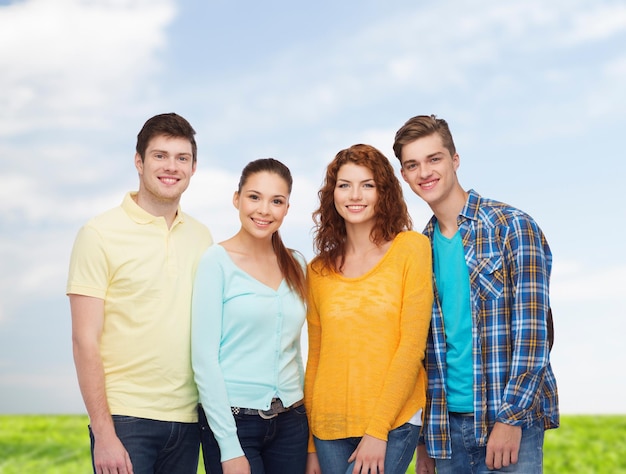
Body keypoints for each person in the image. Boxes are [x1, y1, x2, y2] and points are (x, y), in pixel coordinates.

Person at [393, 114, 559, 474]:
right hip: (444, 432)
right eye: (412, 165)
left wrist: (511, 419)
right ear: (404, 176)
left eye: (433, 159)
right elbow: (420, 349)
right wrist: (424, 440)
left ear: (454, 160)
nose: (424, 172)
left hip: (507, 422)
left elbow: (533, 333)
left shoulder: (512, 226)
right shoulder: (417, 250)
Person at [67, 113, 213, 474]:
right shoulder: (98, 234)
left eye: (182, 158)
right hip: (126, 420)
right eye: (160, 156)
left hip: (188, 418)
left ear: (193, 168)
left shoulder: (202, 237)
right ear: (139, 161)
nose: (171, 167)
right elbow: (84, 339)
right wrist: (103, 433)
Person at [304, 144, 434, 474]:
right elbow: (316, 357)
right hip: (327, 430)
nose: (354, 195)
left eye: (367, 185)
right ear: (332, 193)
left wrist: (378, 430)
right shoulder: (318, 270)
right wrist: (310, 446)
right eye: (344, 185)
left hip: (392, 423)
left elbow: (411, 347)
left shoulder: (411, 248)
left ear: (383, 192)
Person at [192, 158, 309, 474]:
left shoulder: (297, 264)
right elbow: (204, 359)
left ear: (286, 208)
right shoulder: (216, 262)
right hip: (234, 423)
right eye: (254, 197)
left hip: (293, 422)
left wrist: (309, 434)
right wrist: (229, 447)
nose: (264, 210)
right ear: (237, 199)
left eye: (277, 201)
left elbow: (294, 350)